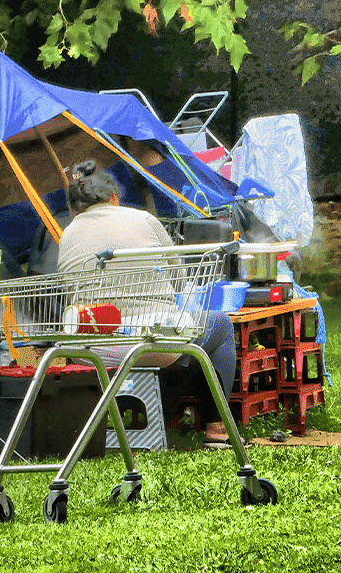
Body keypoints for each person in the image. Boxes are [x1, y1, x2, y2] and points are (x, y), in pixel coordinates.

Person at [54, 159, 238, 398]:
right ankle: (216, 428)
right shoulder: (143, 220)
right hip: (152, 342)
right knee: (221, 325)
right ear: (114, 197)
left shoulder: (67, 235)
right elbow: (179, 280)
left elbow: (65, 286)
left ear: (75, 209)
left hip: (88, 348)